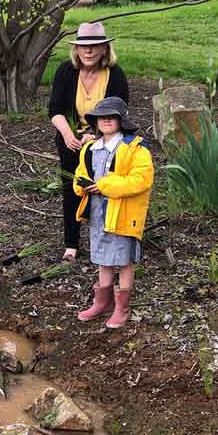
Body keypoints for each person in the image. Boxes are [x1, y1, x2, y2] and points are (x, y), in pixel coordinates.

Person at [47, 22, 130, 262]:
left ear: (105, 48)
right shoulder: (66, 71)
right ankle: (71, 245)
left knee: (103, 189)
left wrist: (94, 136)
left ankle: (105, 241)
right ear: (76, 50)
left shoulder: (115, 74)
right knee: (72, 191)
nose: (89, 51)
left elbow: (119, 113)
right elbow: (55, 109)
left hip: (105, 141)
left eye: (94, 46)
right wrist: (67, 134)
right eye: (84, 47)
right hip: (71, 141)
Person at [72, 97, 153, 329]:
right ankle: (102, 302)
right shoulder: (89, 148)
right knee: (102, 257)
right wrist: (81, 185)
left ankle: (122, 308)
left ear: (121, 120)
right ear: (95, 122)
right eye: (102, 116)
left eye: (112, 116)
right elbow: (80, 172)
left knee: (124, 260)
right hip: (98, 213)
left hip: (124, 214)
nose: (106, 120)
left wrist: (106, 185)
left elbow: (141, 180)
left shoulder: (135, 148)